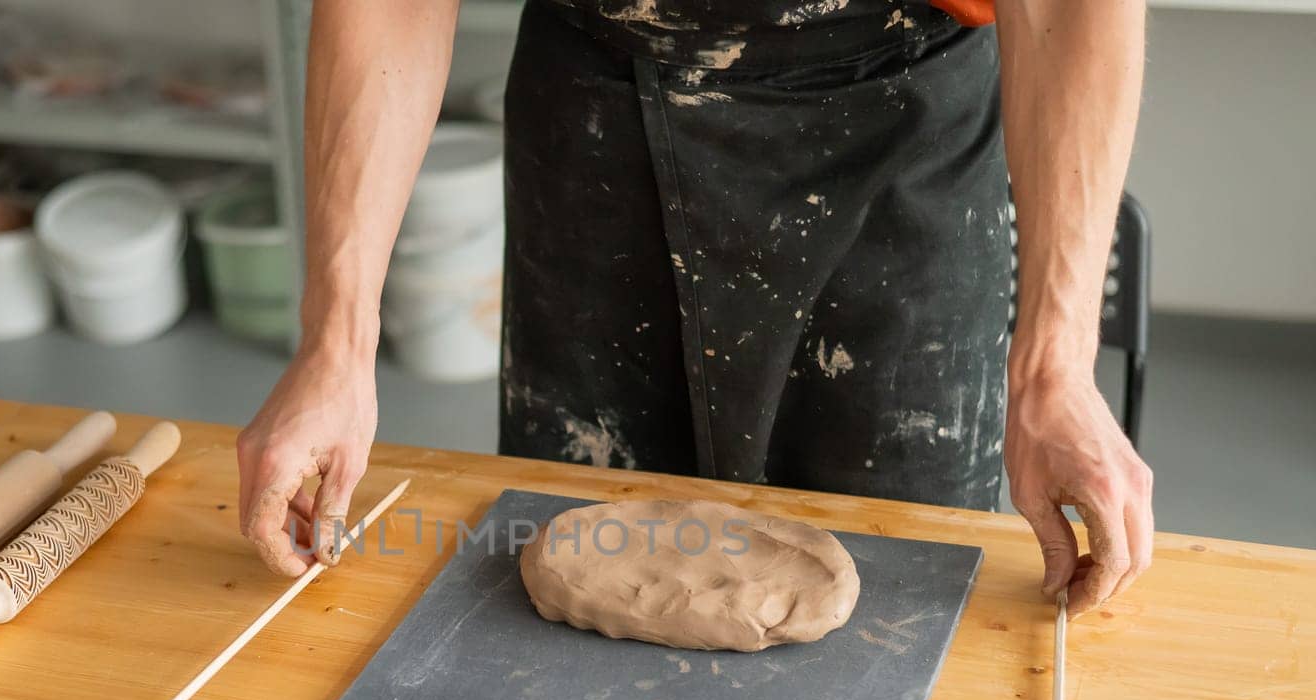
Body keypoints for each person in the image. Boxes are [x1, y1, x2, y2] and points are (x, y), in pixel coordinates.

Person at [235, 0, 1153, 617]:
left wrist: (1054, 369)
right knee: (564, 595)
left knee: (894, 607)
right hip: (598, 114)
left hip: (898, 125)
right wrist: (337, 340)